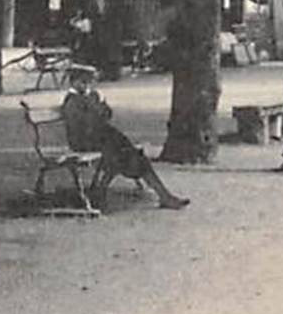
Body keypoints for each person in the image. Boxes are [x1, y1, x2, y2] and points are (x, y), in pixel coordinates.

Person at [60, 67, 189, 209]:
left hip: (101, 138)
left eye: (89, 83)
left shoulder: (90, 96)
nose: (86, 86)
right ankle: (100, 192)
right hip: (84, 142)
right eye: (83, 82)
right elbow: (84, 126)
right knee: (120, 155)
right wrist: (96, 107)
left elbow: (107, 115)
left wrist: (100, 105)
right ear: (73, 82)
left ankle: (164, 196)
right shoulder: (71, 101)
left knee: (131, 156)